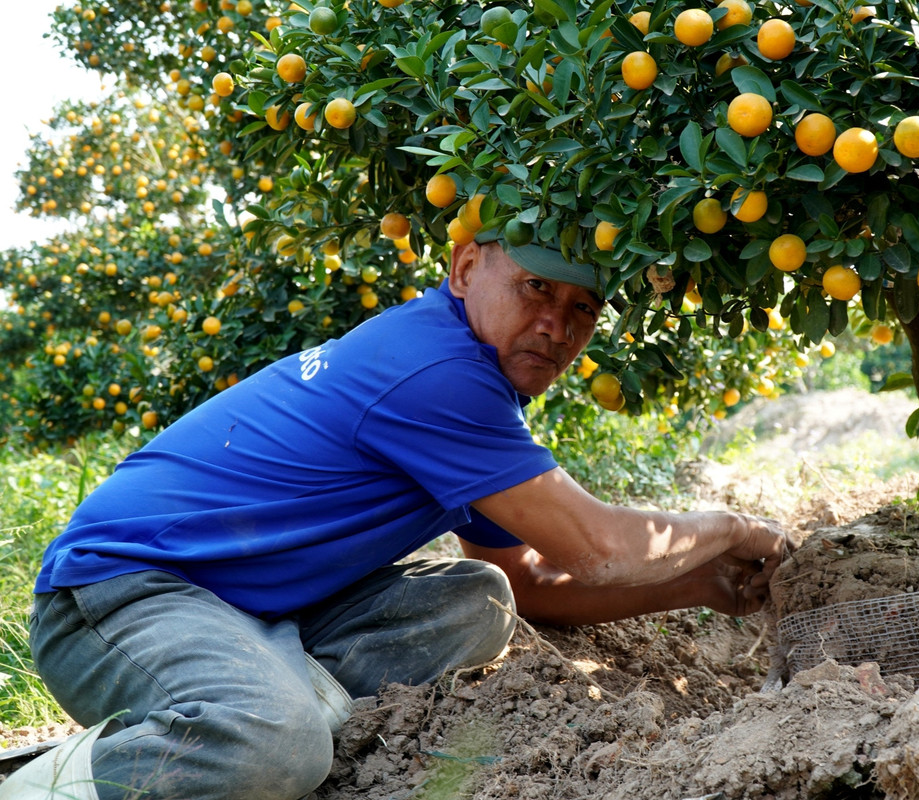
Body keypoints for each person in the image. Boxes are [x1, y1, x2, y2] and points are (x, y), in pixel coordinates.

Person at [2, 234, 790, 800]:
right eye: (536, 288)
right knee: (278, 751)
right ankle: (44, 785)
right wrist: (729, 528)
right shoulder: (440, 374)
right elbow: (600, 549)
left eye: (582, 307)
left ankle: (252, 705)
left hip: (252, 608)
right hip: (120, 596)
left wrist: (695, 588)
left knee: (477, 599)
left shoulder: (473, 389)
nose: (557, 324)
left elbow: (533, 581)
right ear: (466, 267)